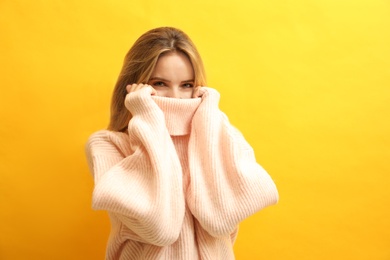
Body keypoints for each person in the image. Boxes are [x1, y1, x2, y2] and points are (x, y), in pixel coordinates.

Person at [85, 26, 278, 260]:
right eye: (159, 83)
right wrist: (147, 117)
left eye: (186, 85)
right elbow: (160, 229)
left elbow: (220, 221)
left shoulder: (223, 136)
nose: (175, 97)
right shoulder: (108, 145)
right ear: (135, 86)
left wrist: (209, 118)